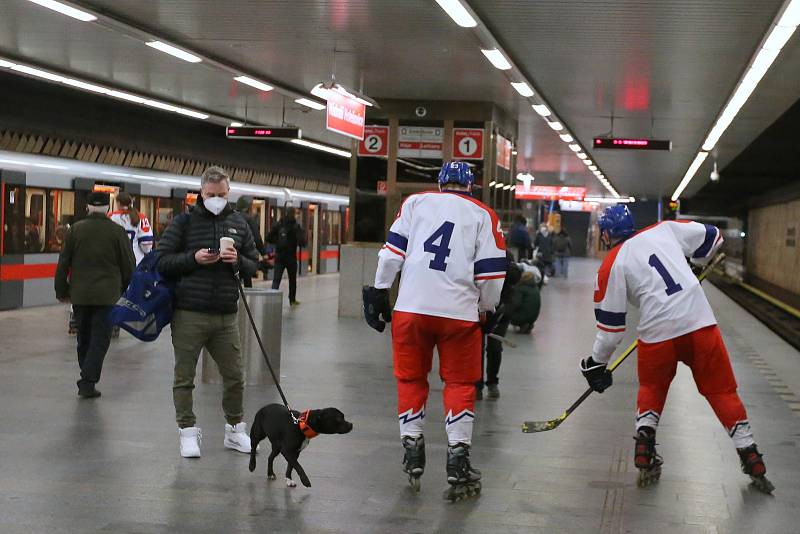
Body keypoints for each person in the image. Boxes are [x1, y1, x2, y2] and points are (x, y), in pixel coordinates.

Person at [580, 204, 773, 492]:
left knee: (652, 388)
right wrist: (693, 264)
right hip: (700, 322)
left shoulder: (612, 265)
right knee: (722, 391)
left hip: (657, 333)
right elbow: (714, 237)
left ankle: (644, 449)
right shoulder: (664, 229)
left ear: (606, 234)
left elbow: (611, 331)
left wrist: (596, 363)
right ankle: (751, 454)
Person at [362, 160, 506, 500]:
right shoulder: (484, 215)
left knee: (410, 378)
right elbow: (491, 274)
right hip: (458, 315)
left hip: (410, 310)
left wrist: (380, 290)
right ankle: (458, 459)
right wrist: (486, 309)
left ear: (440, 183)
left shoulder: (415, 203)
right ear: (472, 186)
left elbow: (391, 254)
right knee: (458, 383)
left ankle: (412, 449)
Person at [157, 166, 259, 459]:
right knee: (184, 376)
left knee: (235, 375)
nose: (217, 199)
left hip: (226, 314)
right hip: (189, 313)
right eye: (211, 195)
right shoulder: (184, 223)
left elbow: (255, 262)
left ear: (229, 193)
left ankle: (235, 430)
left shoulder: (240, 223)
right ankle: (187, 432)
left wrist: (238, 260)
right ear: (200, 193)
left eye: (222, 195)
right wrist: (194, 258)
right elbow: (162, 261)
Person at [54, 191, 135, 398]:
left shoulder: (75, 231)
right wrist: (124, 288)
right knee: (100, 339)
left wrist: (61, 290)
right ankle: (88, 380)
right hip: (107, 296)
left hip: (79, 295)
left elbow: (63, 263)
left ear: (88, 208)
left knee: (84, 337)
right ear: (108, 209)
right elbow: (128, 265)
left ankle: (86, 375)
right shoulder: (117, 232)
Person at [476, 252, 520, 400]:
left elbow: (515, 278)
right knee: (477, 348)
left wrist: (507, 265)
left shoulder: (506, 255)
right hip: (477, 308)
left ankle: (492, 383)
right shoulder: (476, 254)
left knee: (494, 347)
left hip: (501, 309)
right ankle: (477, 385)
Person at [267, 212, 305, 305]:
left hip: (279, 256)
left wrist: (277, 241)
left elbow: (268, 237)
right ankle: (292, 300)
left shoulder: (278, 225)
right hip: (291, 257)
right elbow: (302, 242)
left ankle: (272, 299)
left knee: (276, 280)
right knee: (292, 280)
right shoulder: (296, 226)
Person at [110, 192, 154, 265]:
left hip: (115, 262)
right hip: (136, 261)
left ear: (118, 203)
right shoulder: (141, 217)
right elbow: (147, 243)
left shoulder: (111, 217)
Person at [236, 196, 267, 287]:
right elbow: (257, 238)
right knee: (247, 279)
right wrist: (263, 253)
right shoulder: (249, 219)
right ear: (247, 207)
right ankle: (246, 299)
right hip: (246, 255)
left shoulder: (231, 216)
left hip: (234, 254)